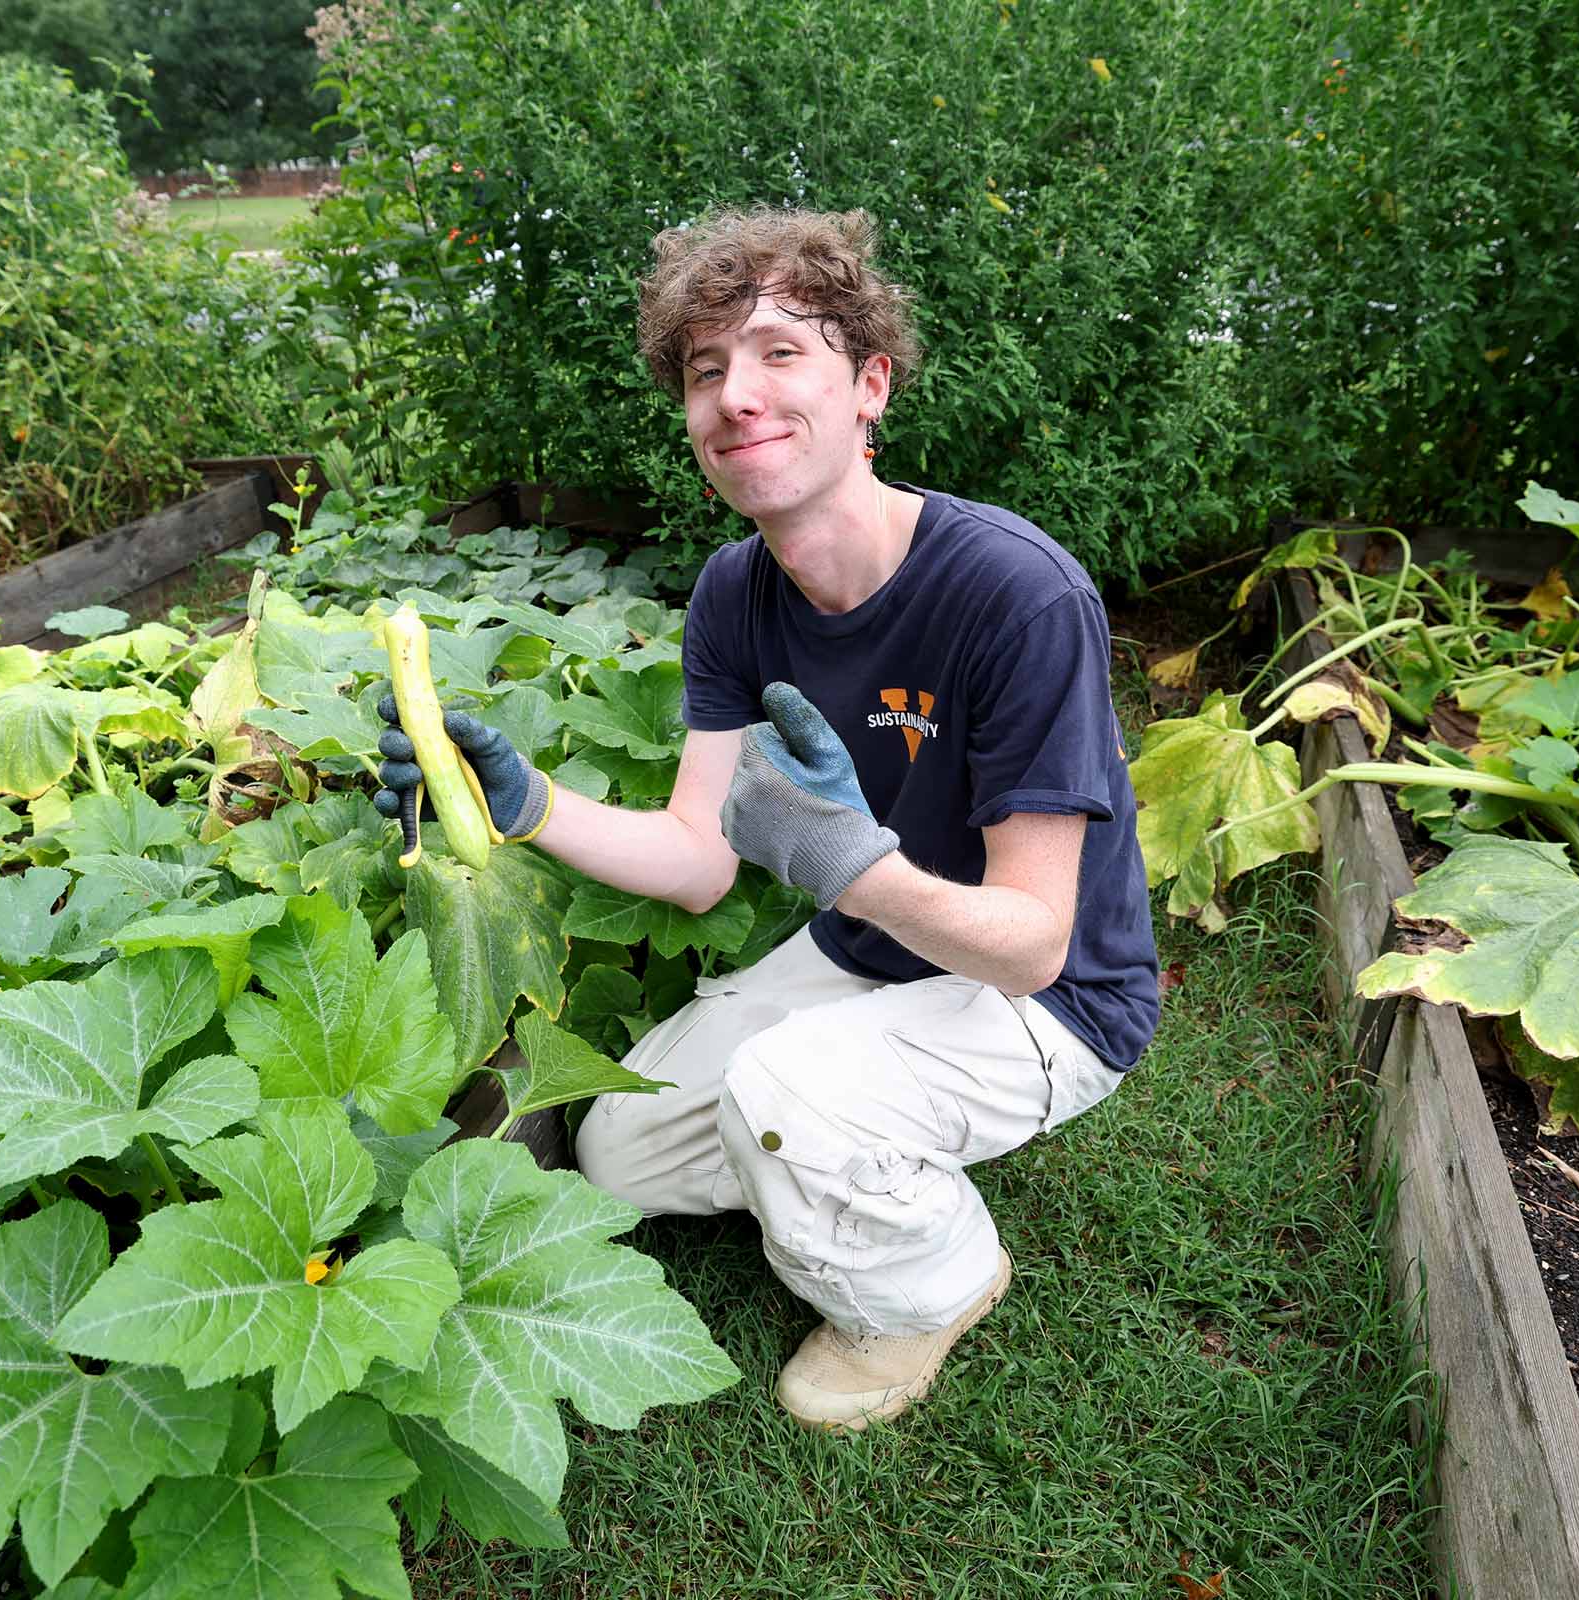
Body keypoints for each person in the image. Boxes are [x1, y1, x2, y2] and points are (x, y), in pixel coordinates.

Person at [374, 206, 1159, 1433]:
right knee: (621, 1149)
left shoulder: (1015, 593)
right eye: (705, 368)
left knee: (790, 1089)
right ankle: (834, 1142)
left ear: (870, 387)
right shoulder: (737, 592)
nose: (737, 393)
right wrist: (522, 804)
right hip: (873, 954)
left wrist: (851, 864)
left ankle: (933, 1282)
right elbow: (696, 862)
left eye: (780, 351)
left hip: (1051, 1006)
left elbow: (1033, 943)